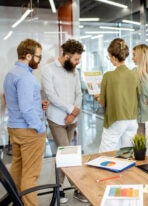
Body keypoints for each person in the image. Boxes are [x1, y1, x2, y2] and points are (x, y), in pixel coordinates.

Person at [3, 38, 49, 206]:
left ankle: (16, 201)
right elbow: (26, 109)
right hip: (29, 132)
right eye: (38, 57)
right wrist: (40, 127)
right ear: (28, 56)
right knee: (30, 175)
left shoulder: (11, 74)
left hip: (14, 128)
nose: (39, 60)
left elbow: (16, 101)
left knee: (17, 168)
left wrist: (38, 104)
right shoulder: (26, 78)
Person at [41, 39, 87, 203]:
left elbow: (79, 94)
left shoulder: (74, 71)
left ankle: (58, 187)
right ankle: (77, 188)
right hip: (56, 119)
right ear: (66, 56)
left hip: (72, 118)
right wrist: (70, 110)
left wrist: (74, 113)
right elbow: (51, 95)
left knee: (64, 154)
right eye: (75, 59)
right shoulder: (48, 70)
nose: (77, 62)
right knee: (67, 153)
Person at [94, 38, 139, 152]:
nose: (110, 60)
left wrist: (96, 97)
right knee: (127, 154)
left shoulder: (108, 76)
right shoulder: (134, 74)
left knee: (105, 155)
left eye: (109, 57)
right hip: (132, 120)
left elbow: (103, 102)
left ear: (114, 57)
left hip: (116, 120)